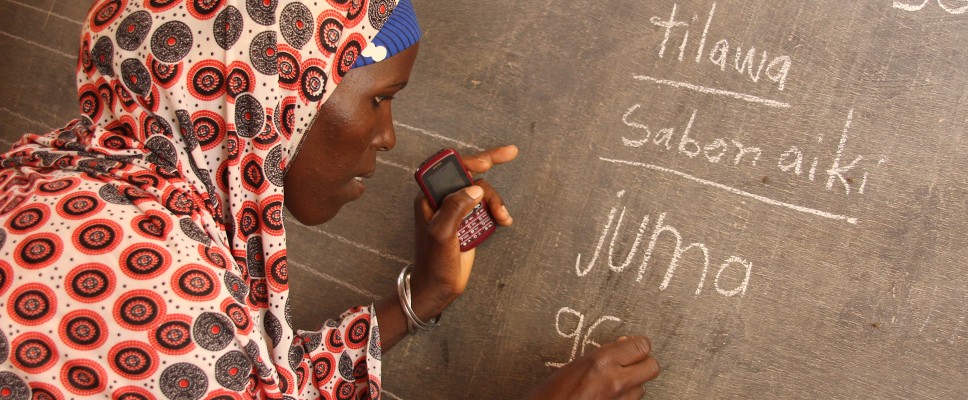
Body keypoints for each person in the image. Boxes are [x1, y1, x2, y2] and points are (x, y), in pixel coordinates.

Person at [0, 1, 659, 398]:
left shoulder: (74, 185)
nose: (389, 137)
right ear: (271, 92)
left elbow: (244, 382)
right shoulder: (132, 276)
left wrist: (421, 296)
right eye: (377, 100)